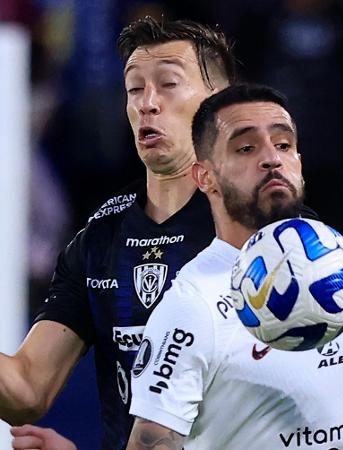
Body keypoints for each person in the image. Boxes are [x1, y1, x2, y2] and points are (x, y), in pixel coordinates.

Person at [9, 85, 343, 450]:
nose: (271, 159)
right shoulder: (192, 306)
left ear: (299, 160)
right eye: (245, 148)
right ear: (204, 177)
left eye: (282, 145)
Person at [1, 16, 237, 450]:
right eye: (134, 88)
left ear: (219, 105)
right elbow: (27, 389)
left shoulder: (257, 229)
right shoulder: (99, 238)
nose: (147, 103)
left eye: (168, 84)